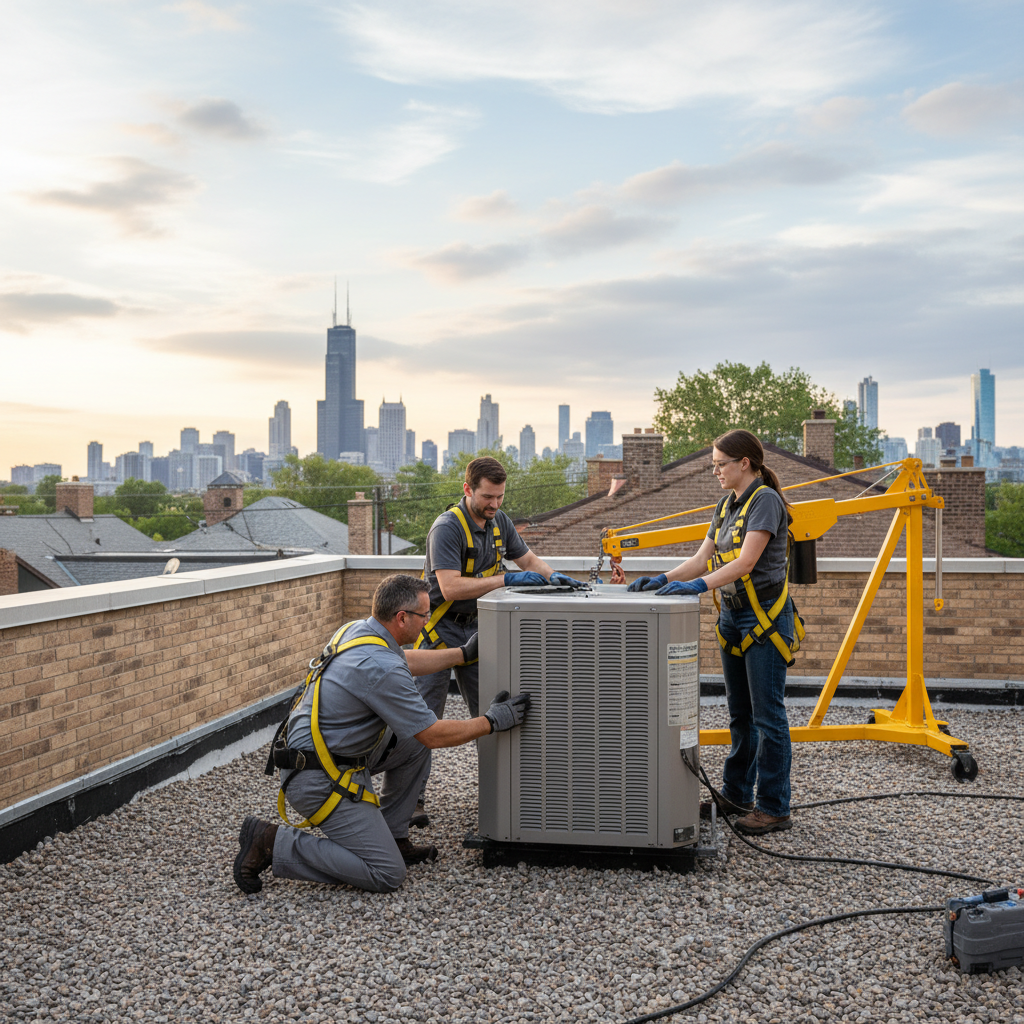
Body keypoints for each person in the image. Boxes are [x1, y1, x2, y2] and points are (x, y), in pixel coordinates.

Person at [233, 574, 531, 894]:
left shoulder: (356, 631)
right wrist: (492, 721)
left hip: (322, 754)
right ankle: (271, 842)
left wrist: (462, 654)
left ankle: (392, 835)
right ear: (402, 618)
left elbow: (405, 662)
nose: (428, 622)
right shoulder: (380, 665)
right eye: (425, 616)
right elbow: (433, 734)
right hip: (319, 777)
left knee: (411, 745)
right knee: (386, 873)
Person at [626, 429, 796, 836]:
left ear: (745, 463)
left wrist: (698, 588)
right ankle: (737, 794)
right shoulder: (725, 505)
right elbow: (703, 558)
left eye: (721, 463)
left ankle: (774, 806)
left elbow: (745, 562)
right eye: (714, 464)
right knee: (741, 714)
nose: (715, 470)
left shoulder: (766, 502)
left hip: (763, 621)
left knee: (768, 717)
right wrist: (662, 578)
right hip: (733, 618)